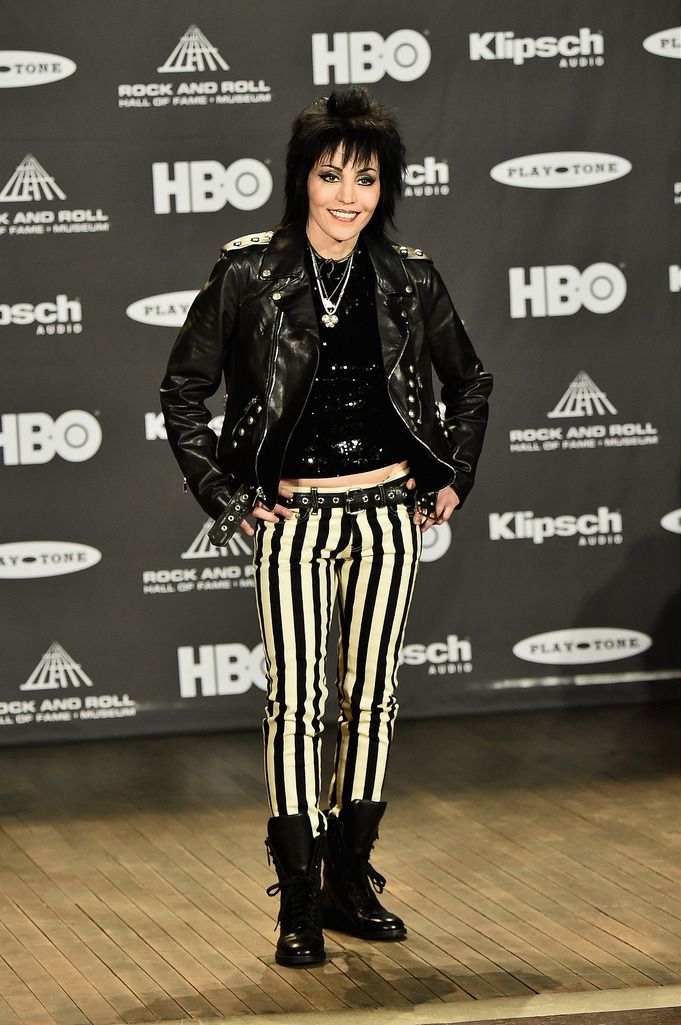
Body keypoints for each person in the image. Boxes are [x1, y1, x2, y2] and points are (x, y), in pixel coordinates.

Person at [160, 87, 492, 968]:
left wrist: (452, 475)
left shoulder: (409, 277)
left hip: (389, 515)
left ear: (386, 189)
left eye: (366, 179)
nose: (347, 195)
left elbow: (471, 383)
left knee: (372, 697)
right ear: (300, 177)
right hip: (292, 518)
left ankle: (352, 875)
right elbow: (182, 392)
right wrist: (226, 498)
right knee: (297, 702)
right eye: (330, 174)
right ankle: (298, 901)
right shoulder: (246, 273)